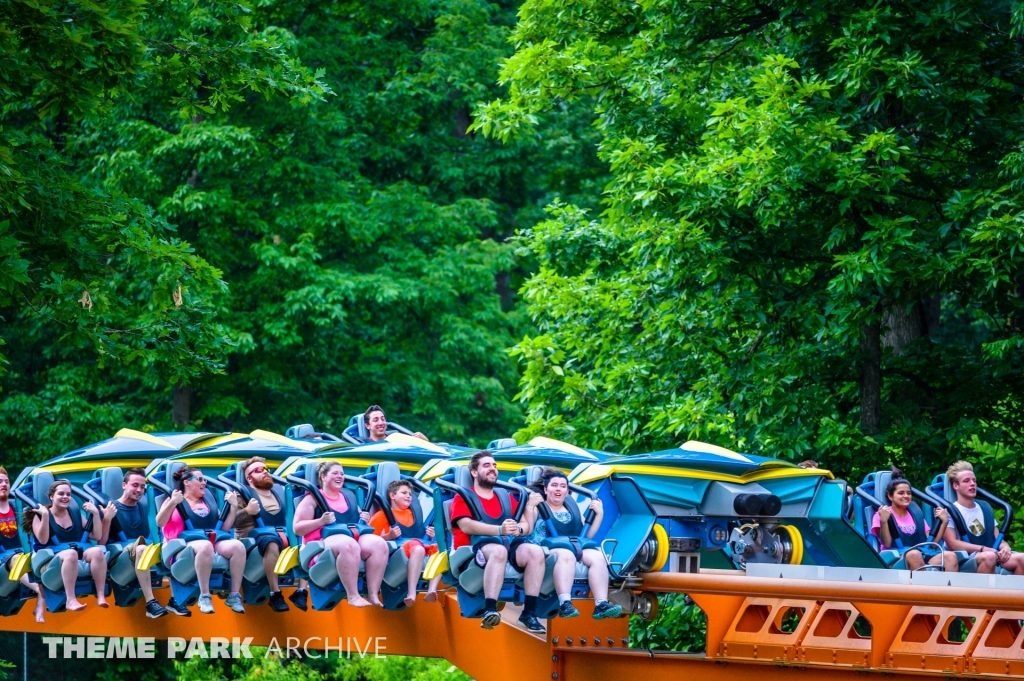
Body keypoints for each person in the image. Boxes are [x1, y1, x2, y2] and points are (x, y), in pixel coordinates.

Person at [449, 451, 546, 632]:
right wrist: (499, 530)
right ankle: (490, 610)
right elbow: (466, 526)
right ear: (474, 472)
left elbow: (526, 524)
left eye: (494, 466)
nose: (493, 469)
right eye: (487, 465)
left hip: (503, 545)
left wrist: (520, 527)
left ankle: (529, 613)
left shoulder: (504, 496)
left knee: (535, 551)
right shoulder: (463, 496)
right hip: (470, 551)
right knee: (498, 551)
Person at [526, 468, 622, 619]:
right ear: (546, 489)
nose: (559, 489)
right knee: (566, 555)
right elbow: (528, 528)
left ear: (567, 491)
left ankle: (601, 604)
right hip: (544, 549)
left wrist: (599, 514)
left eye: (563, 486)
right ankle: (565, 603)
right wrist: (530, 506)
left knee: (599, 557)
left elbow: (587, 535)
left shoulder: (572, 508)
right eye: (554, 485)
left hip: (572, 545)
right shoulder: (538, 505)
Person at [292, 461, 389, 607]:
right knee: (348, 545)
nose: (340, 476)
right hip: (319, 544)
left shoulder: (348, 496)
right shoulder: (312, 499)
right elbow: (297, 529)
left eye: (342, 474)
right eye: (335, 473)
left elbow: (357, 521)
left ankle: (373, 594)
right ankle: (353, 596)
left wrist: (364, 518)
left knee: (379, 544)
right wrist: (321, 521)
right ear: (323, 477)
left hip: (349, 538)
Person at [155, 467, 248, 614]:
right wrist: (173, 502)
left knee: (238, 546)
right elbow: (160, 523)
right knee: (205, 546)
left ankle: (234, 595)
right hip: (178, 547)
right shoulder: (173, 499)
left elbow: (223, 528)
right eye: (200, 479)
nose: (204, 482)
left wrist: (233, 507)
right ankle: (204, 596)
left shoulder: (207, 502)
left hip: (207, 542)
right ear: (187, 482)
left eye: (204, 480)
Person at [21, 479, 115, 610]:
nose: (65, 497)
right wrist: (45, 517)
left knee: (97, 552)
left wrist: (94, 514)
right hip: (46, 561)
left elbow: (96, 536)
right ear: (51, 497)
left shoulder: (74, 514)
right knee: (71, 554)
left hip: (72, 554)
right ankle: (71, 600)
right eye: (61, 494)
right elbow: (42, 540)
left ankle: (100, 596)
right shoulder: (40, 515)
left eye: (68, 494)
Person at [101, 468, 170, 618]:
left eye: (142, 487)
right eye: (135, 485)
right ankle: (150, 602)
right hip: (119, 561)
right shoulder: (111, 507)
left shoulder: (146, 507)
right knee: (141, 550)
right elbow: (101, 542)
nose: (139, 490)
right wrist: (107, 519)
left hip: (144, 553)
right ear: (124, 485)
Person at [368, 480, 442, 606]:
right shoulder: (382, 515)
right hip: (395, 553)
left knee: (440, 550)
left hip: (414, 546)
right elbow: (368, 542)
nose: (408, 496)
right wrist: (388, 536)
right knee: (417, 548)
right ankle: (411, 593)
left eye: (410, 494)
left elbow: (420, 537)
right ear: (392, 495)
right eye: (404, 493)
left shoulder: (413, 514)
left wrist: (430, 536)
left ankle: (432, 590)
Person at [943, 460, 1024, 575]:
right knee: (990, 557)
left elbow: (997, 538)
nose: (972, 484)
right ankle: (981, 593)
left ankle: (1012, 592)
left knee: (1022, 559)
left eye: (974, 480)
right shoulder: (951, 510)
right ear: (956, 485)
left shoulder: (985, 507)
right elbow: (952, 543)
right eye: (966, 481)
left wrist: (1006, 548)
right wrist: (983, 549)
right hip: (964, 559)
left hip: (989, 553)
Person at [231, 456, 290, 612]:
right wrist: (247, 511)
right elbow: (230, 523)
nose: (264, 472)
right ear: (249, 478)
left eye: (266, 469)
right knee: (271, 542)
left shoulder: (280, 491)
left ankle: (302, 591)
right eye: (258, 470)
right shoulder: (242, 494)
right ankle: (275, 593)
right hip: (252, 541)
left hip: (279, 534)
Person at [870, 467, 956, 572]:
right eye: (901, 493)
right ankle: (924, 587)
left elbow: (932, 545)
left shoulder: (915, 514)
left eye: (909, 493)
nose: (906, 496)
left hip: (921, 556)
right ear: (890, 496)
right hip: (895, 558)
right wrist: (883, 520)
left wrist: (944, 522)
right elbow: (887, 543)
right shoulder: (881, 514)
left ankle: (945, 588)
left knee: (950, 557)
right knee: (914, 554)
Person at [0, 468, 44, 622]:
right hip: (3, 559)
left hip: (23, 553)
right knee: (17, 558)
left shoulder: (17, 506)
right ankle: (41, 592)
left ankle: (44, 593)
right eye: (0, 482)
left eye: (6, 481)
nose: (4, 484)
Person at [363, 405, 428, 443]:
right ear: (367, 425)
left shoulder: (397, 438)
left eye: (382, 419)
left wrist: (425, 442)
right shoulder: (363, 446)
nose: (380, 423)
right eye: (375, 420)